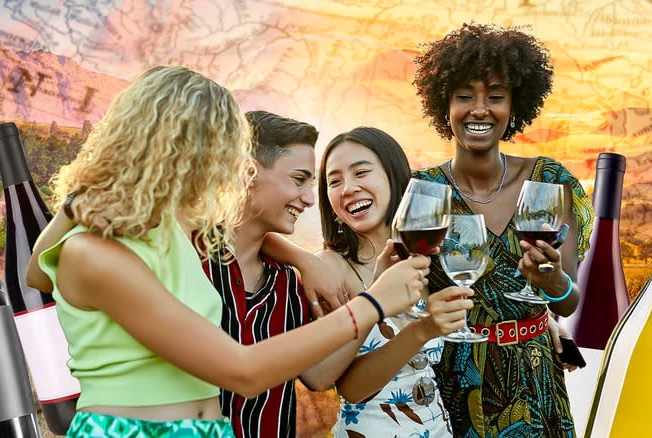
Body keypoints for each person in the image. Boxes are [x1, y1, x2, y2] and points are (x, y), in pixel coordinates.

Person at [31, 65, 429, 437]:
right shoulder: (95, 254)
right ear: (170, 146)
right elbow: (243, 371)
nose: (231, 169)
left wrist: (300, 257)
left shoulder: (176, 231)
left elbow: (239, 231)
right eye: (221, 149)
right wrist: (373, 302)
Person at [411, 23, 594, 437]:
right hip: (456, 383)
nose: (480, 109)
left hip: (535, 385)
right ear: (444, 105)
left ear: (514, 106)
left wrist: (552, 279)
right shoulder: (423, 191)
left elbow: (568, 303)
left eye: (495, 96)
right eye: (464, 96)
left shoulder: (549, 181)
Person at [201, 110, 363, 438]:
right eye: (298, 179)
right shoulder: (188, 261)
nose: (308, 199)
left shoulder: (287, 283)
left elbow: (318, 378)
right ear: (249, 171)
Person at [316, 126, 474, 437]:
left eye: (361, 172)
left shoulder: (425, 259)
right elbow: (352, 389)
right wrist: (420, 331)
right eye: (334, 181)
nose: (348, 188)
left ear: (394, 177)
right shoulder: (330, 269)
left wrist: (545, 321)